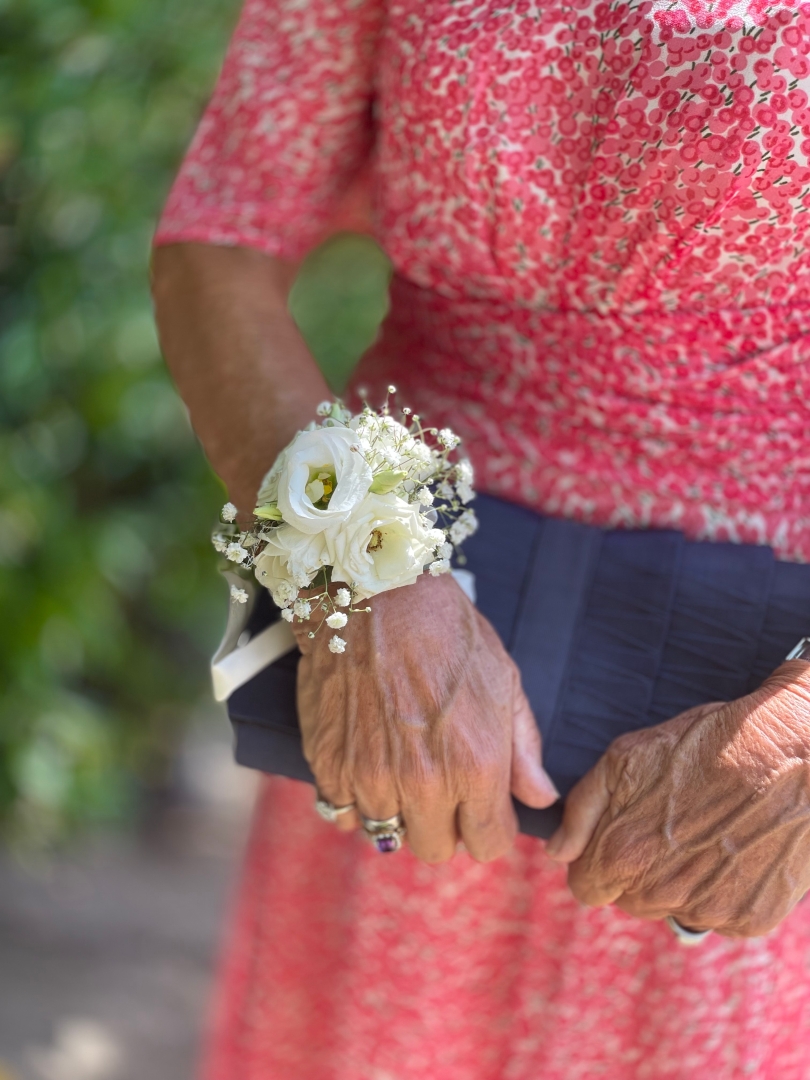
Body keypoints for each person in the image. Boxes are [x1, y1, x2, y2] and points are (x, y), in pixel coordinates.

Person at [151, 0, 810, 1076]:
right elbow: (221, 239)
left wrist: (797, 746)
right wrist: (360, 575)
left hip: (735, 747)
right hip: (391, 672)